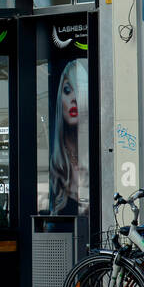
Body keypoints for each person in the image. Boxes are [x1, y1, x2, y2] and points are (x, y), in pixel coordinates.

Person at [50, 60, 89, 215]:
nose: (73, 98)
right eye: (67, 90)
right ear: (60, 99)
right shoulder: (56, 164)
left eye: (79, 90)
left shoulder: (95, 153)